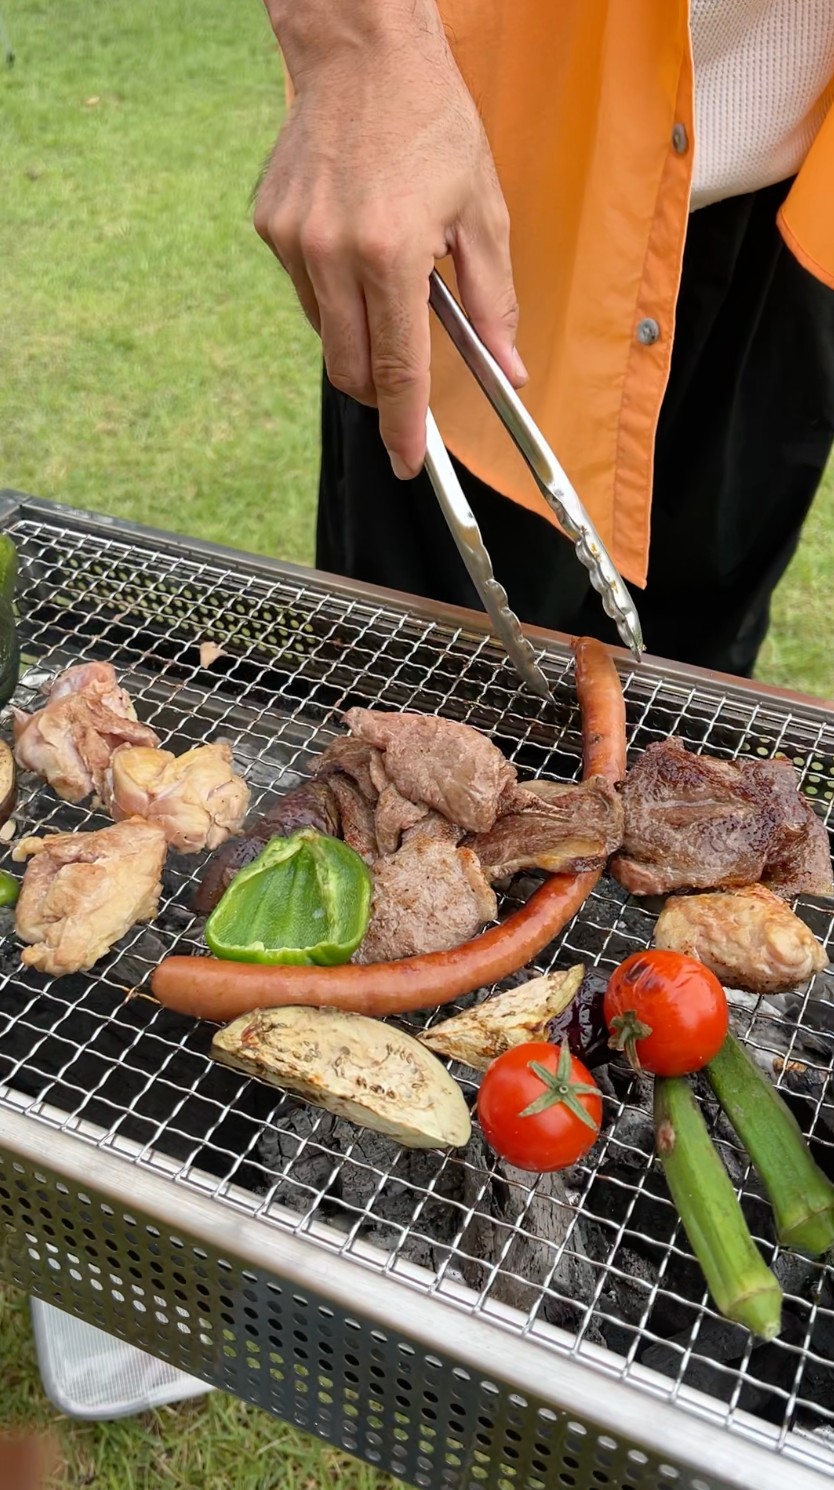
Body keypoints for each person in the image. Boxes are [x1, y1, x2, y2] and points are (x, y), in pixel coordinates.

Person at [254, 1, 834, 677]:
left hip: (795, 214)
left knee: (699, 682)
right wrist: (352, 46)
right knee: (420, 685)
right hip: (475, 196)